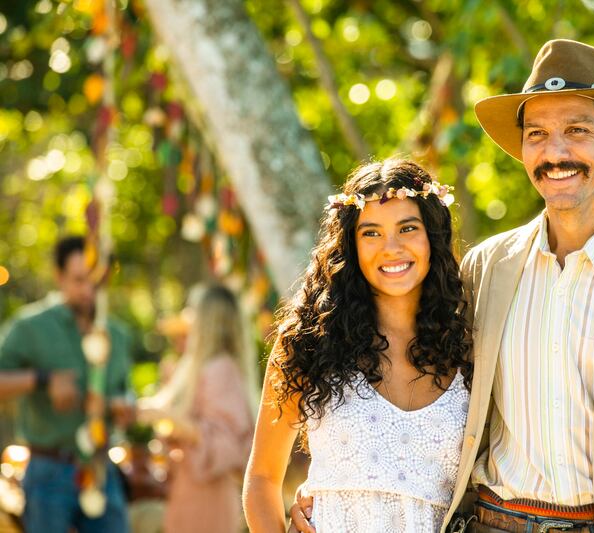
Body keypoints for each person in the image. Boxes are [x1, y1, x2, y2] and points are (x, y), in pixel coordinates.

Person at [293, 39, 594, 533]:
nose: (555, 152)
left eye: (576, 130)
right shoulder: (485, 268)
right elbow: (424, 388)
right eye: (537, 133)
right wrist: (338, 478)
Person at [243, 159, 474, 532]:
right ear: (350, 244)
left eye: (407, 228)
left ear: (432, 236)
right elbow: (263, 480)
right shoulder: (308, 342)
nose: (391, 248)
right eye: (371, 233)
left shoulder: (468, 347)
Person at [0, 235, 133, 533]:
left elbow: (126, 391)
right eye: (79, 280)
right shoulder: (30, 326)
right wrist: (42, 379)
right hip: (48, 471)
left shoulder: (118, 334)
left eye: (96, 281)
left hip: (102, 468)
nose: (89, 291)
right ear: (59, 277)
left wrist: (125, 407)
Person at [138, 283, 259, 533]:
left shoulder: (220, 370)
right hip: (188, 493)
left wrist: (167, 418)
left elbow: (228, 444)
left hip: (208, 497)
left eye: (193, 312)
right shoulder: (199, 367)